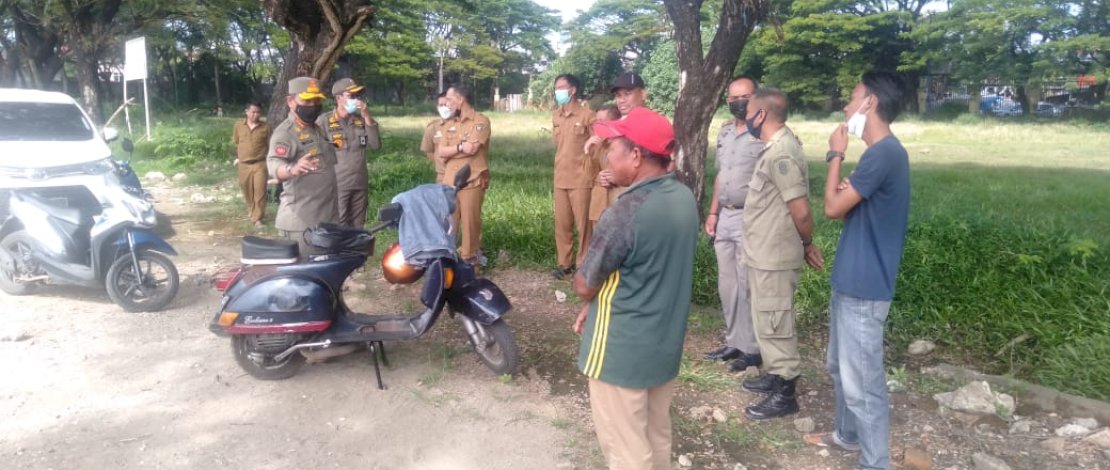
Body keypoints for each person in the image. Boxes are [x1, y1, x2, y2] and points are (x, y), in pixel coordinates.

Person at [571, 107, 698, 470]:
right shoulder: (683, 198)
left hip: (620, 349)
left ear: (637, 155)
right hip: (663, 344)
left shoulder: (625, 212)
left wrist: (592, 300)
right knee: (655, 436)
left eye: (613, 147)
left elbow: (583, 284)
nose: (607, 155)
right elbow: (650, 267)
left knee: (626, 450)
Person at [804, 71, 911, 470]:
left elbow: (831, 208)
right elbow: (850, 205)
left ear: (870, 103)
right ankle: (847, 436)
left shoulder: (883, 153)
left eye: (852, 98)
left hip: (865, 288)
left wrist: (835, 154)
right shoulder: (881, 157)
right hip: (850, 280)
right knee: (838, 367)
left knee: (863, 384)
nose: (845, 106)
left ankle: (874, 463)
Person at [738, 88, 824, 420]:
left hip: (775, 255)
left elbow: (800, 211)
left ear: (761, 115)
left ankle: (786, 390)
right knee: (766, 319)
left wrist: (807, 244)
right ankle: (774, 375)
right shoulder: (775, 147)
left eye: (748, 111)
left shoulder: (781, 153)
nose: (745, 117)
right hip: (763, 253)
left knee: (776, 322)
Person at [703, 76, 763, 373]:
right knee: (728, 283)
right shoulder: (725, 132)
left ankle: (752, 348)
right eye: (732, 97)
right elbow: (720, 176)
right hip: (724, 215)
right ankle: (734, 341)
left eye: (744, 96)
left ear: (757, 97)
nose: (737, 101)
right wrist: (713, 213)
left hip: (751, 217)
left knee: (747, 282)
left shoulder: (766, 133)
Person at [266, 76, 339, 255]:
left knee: (325, 269)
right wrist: (292, 169)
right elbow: (273, 164)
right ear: (290, 101)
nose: (313, 105)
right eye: (307, 100)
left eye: (316, 100)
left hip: (325, 216)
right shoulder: (285, 133)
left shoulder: (316, 129)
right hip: (301, 222)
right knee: (305, 275)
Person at [435, 83, 491, 268]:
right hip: (449, 183)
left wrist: (456, 150)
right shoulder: (450, 124)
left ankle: (469, 265)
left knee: (470, 227)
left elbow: (473, 149)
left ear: (460, 100)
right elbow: (441, 151)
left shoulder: (480, 121)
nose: (447, 104)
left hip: (471, 182)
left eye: (450, 100)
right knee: (449, 225)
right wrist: (460, 147)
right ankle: (447, 263)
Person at [550, 74, 596, 280]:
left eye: (561, 87)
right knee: (562, 224)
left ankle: (583, 265)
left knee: (583, 226)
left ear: (573, 90)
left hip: (581, 178)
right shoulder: (556, 116)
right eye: (556, 88)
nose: (557, 91)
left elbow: (597, 145)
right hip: (561, 176)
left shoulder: (587, 116)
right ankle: (564, 263)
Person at [318, 78, 381, 228]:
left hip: (359, 182)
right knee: (339, 224)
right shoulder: (324, 122)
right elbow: (316, 153)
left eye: (358, 96)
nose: (356, 100)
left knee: (358, 226)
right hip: (338, 184)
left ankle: (355, 252)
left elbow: (375, 145)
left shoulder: (361, 120)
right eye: (351, 96)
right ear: (338, 98)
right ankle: (338, 251)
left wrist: (367, 116)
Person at [583, 72, 648, 155]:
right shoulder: (616, 127)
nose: (621, 100)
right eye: (618, 95)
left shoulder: (656, 124)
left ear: (643, 94)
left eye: (627, 94)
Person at [231, 102, 272, 229]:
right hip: (244, 164)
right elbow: (236, 141)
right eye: (253, 112)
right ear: (247, 112)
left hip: (260, 163)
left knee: (260, 191)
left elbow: (270, 144)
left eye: (258, 112)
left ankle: (257, 219)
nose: (255, 115)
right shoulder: (238, 126)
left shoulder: (265, 127)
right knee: (246, 189)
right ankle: (251, 209)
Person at [586, 105, 625, 234]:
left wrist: (616, 176)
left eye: (601, 121)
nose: (597, 125)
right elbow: (589, 175)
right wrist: (588, 151)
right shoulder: (598, 144)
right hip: (599, 205)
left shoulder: (625, 144)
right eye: (596, 121)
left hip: (619, 203)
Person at [420, 92, 451, 183]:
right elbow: (429, 151)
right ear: (437, 107)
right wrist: (440, 164)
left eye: (446, 104)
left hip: (464, 176)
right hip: (443, 176)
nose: (444, 107)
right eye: (441, 105)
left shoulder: (464, 125)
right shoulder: (432, 127)